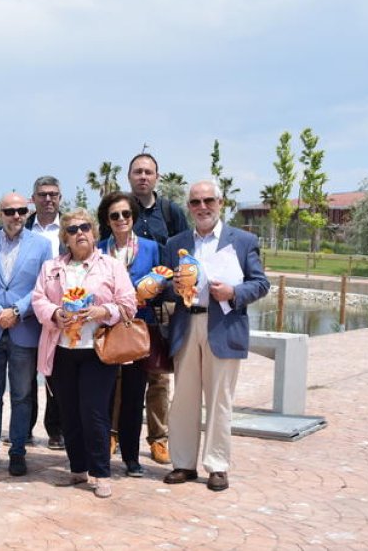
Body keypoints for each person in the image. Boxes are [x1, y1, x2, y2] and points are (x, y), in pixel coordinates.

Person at [162, 180, 269, 492]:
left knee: (220, 400)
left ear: (220, 203)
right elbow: (167, 285)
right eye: (195, 202)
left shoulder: (243, 241)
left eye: (208, 200)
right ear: (189, 207)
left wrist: (233, 292)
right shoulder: (177, 242)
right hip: (186, 324)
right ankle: (183, 464)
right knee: (183, 398)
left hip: (223, 324)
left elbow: (260, 283)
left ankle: (217, 465)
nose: (202, 207)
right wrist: (175, 287)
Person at [32, 208, 137, 498]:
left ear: (95, 233)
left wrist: (103, 311)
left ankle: (101, 472)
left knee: (94, 412)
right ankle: (78, 468)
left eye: (85, 227)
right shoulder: (51, 267)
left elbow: (129, 304)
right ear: (65, 237)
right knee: (69, 413)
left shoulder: (112, 266)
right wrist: (55, 313)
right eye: (73, 229)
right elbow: (38, 298)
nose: (80, 233)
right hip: (62, 349)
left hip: (97, 350)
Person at [0, 192, 52, 477]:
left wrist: (17, 311)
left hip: (24, 328)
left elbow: (44, 286)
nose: (16, 216)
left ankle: (17, 451)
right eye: (10, 211)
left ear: (27, 213)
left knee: (22, 395)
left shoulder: (41, 246)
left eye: (21, 211)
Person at [126, 152, 188, 465]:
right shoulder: (120, 210)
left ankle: (158, 439)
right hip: (125, 307)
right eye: (137, 172)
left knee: (158, 376)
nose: (143, 177)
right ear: (129, 177)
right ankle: (115, 434)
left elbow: (184, 251)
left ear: (157, 177)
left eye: (148, 172)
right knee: (118, 370)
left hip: (161, 306)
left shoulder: (170, 211)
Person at [95, 192, 160, 478]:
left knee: (134, 396)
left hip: (137, 331)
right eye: (114, 215)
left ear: (133, 216)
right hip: (105, 330)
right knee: (103, 394)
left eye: (126, 214)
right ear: (107, 220)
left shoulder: (151, 248)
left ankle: (132, 458)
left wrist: (153, 292)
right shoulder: (98, 250)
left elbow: (163, 283)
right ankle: (101, 453)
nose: (121, 220)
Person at [24, 175, 65, 450]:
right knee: (25, 374)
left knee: (57, 374)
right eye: (42, 194)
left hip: (61, 313)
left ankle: (56, 430)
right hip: (28, 311)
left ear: (60, 197)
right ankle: (23, 429)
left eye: (53, 194)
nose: (48, 199)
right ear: (34, 198)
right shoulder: (24, 228)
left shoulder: (72, 228)